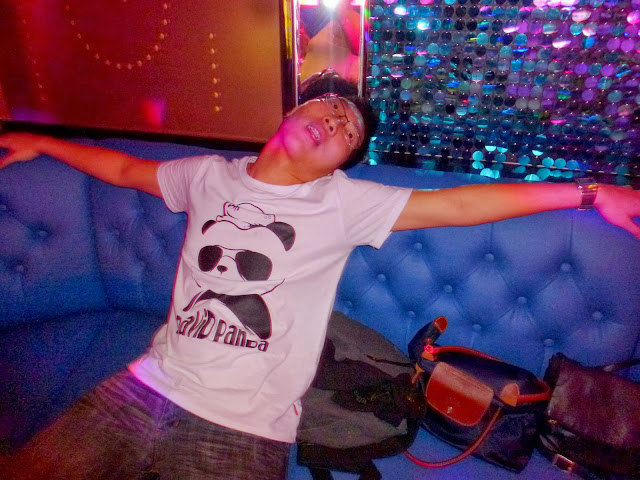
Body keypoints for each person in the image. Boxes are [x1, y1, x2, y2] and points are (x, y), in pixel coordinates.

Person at [0, 93, 639, 480]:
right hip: (143, 386)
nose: (333, 123)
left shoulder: (343, 202)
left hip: (244, 426)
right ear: (292, 112)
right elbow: (121, 168)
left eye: (347, 133)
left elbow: (461, 206)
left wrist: (590, 193)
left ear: (340, 164)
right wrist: (40, 141)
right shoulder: (205, 176)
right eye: (328, 110)